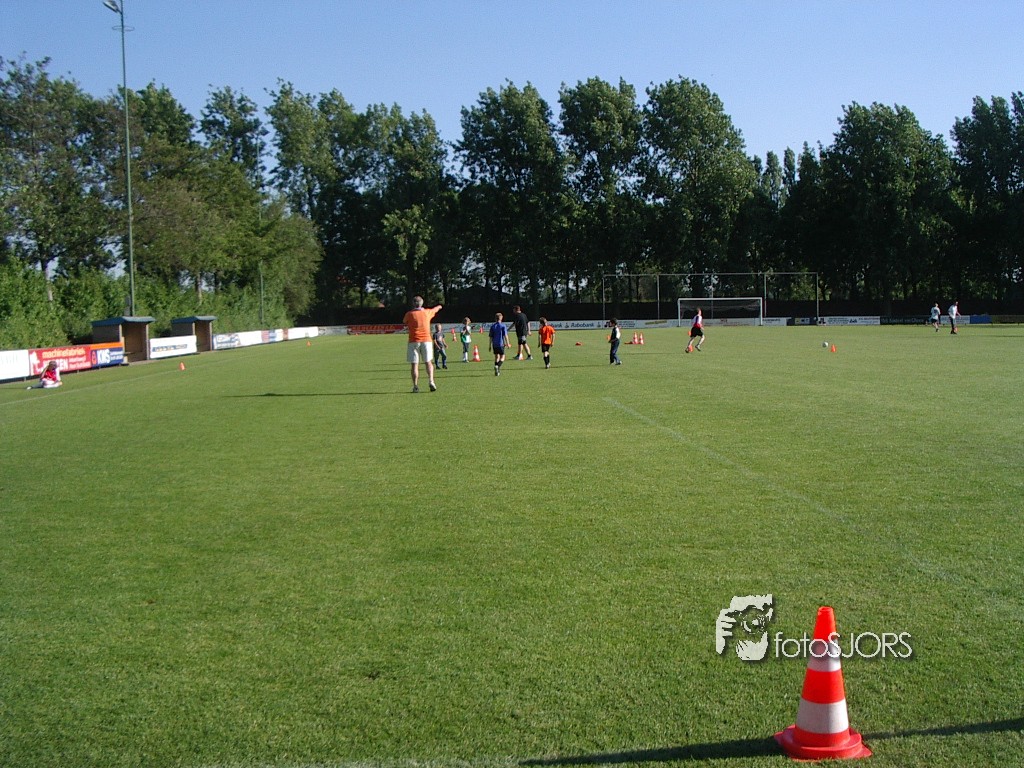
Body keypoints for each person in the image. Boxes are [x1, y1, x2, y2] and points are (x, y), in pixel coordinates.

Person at [402, 295, 442, 392]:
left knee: (414, 364)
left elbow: (404, 322)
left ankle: (415, 386)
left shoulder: (409, 314)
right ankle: (431, 381)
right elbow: (435, 309)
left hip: (413, 341)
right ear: (422, 303)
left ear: (413, 304)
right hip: (426, 340)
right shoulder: (427, 312)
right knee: (428, 362)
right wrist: (439, 306)